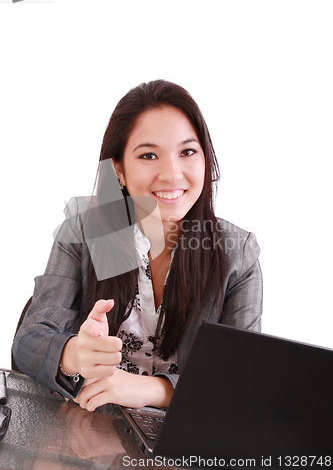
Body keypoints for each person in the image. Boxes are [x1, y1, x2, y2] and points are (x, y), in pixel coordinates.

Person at [12, 80, 263, 412]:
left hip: (180, 446)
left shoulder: (237, 254)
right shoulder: (87, 230)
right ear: (119, 170)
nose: (172, 174)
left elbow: (240, 383)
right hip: (83, 430)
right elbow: (29, 341)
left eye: (187, 151)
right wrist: (74, 354)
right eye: (148, 155)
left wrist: (150, 390)